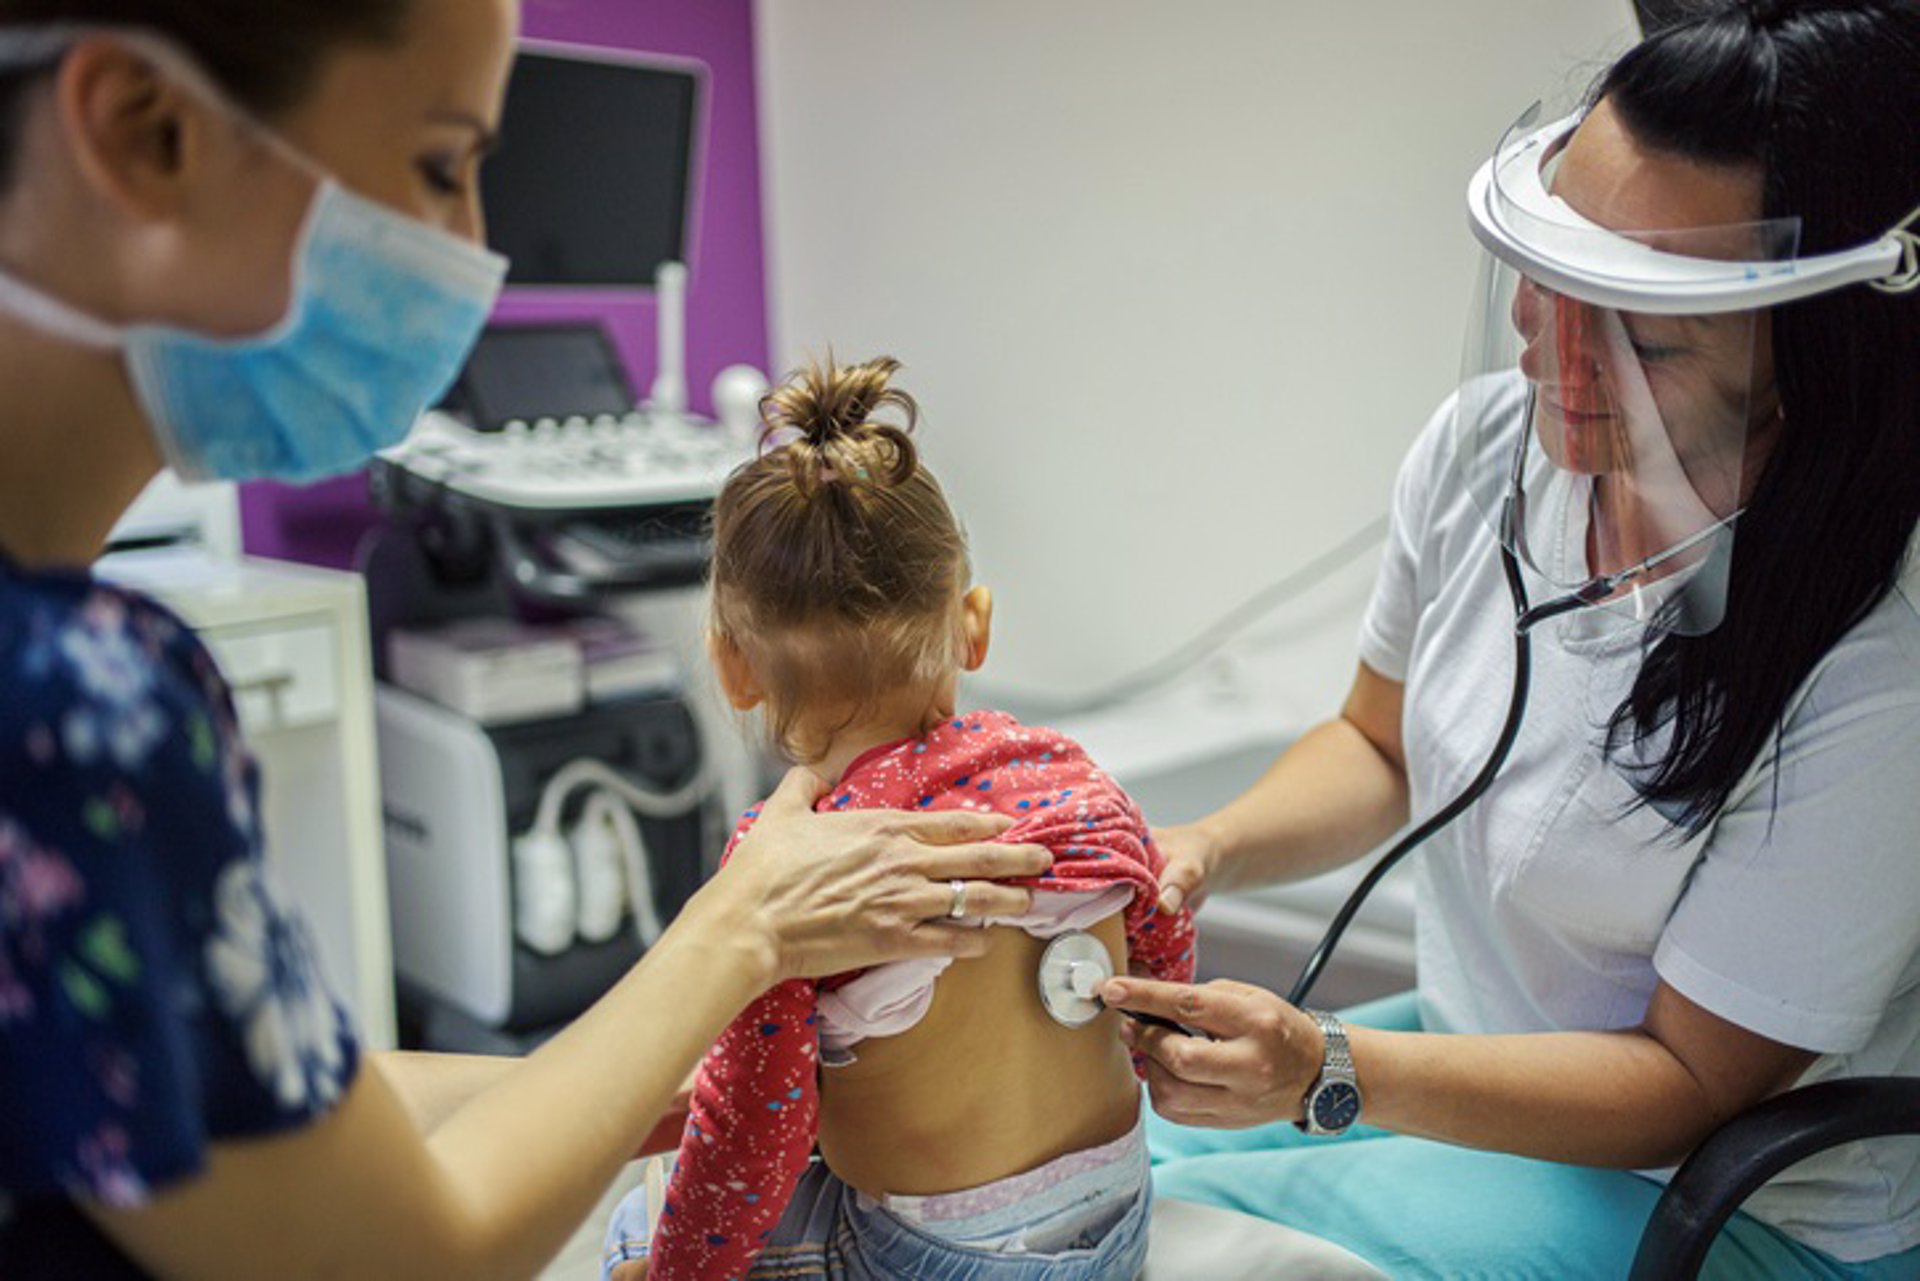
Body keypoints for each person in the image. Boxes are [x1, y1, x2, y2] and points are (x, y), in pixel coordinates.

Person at [0, 6, 1055, 1278]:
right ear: (146, 132)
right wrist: (740, 930)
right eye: (444, 165)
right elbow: (395, 1255)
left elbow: (263, 1107)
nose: (479, 250)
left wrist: (629, 1072)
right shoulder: (72, 705)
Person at [1100, 1, 1920, 1276]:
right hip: (1474, 1074)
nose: (1562, 361)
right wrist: (1205, 846)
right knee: (1094, 1173)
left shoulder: (1884, 659)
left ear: (1823, 357)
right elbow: (1376, 747)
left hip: (1723, 1196)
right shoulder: (1490, 448)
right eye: (1551, 282)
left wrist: (1323, 1064)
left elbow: (1689, 1078)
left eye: (1648, 338)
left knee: (1164, 1253)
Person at [602, 356, 1197, 1280]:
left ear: (731, 665)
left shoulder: (791, 860)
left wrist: (681, 1270)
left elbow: (748, 1132)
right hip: (1120, 1220)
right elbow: (1163, 937)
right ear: (974, 622)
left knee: (640, 1226)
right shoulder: (1068, 773)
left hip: (927, 1257)